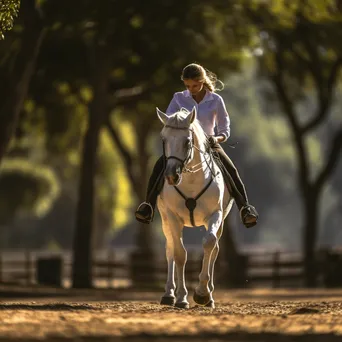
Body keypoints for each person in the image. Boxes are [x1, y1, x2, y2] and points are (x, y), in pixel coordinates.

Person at [135, 63, 258, 228]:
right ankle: (148, 206)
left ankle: (245, 208)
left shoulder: (216, 100)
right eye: (187, 86)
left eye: (195, 85)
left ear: (202, 81)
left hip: (209, 143)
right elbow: (170, 121)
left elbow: (224, 127)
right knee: (159, 167)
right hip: (182, 145)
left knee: (231, 170)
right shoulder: (178, 98)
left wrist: (218, 138)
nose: (191, 89)